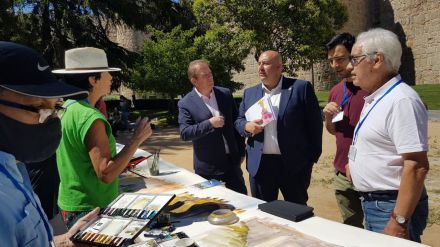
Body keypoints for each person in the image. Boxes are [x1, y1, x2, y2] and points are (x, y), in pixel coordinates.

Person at [0, 41, 99, 246]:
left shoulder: (15, 167)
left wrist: (65, 241)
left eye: (56, 107)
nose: (51, 119)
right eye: (38, 107)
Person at [52, 47, 152, 229]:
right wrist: (136, 139)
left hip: (72, 203)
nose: (111, 78)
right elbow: (105, 173)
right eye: (107, 73)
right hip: (90, 208)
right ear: (93, 79)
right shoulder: (90, 117)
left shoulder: (66, 108)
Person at [346, 28, 429, 242]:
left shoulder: (401, 101)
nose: (349, 67)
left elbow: (416, 165)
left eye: (355, 59)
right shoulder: (377, 97)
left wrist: (398, 220)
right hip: (376, 203)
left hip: (390, 207)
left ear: (377, 60)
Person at [235, 50, 322, 204]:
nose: (261, 68)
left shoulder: (300, 88)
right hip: (261, 165)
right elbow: (238, 121)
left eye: (266, 63)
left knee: (297, 210)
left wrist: (310, 159)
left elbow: (314, 125)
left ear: (279, 67)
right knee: (263, 212)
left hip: (293, 165)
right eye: (259, 63)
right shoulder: (250, 93)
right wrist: (246, 126)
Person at [178, 60, 247, 194]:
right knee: (212, 207)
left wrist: (241, 151)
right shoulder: (185, 103)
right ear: (194, 80)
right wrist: (209, 124)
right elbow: (185, 133)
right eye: (205, 75)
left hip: (232, 163)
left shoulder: (225, 94)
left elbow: (236, 123)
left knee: (244, 202)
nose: (211, 78)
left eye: (210, 74)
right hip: (208, 167)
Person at [323, 33, 368, 228]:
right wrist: (328, 117)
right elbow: (333, 131)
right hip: (342, 174)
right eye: (331, 60)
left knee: (382, 234)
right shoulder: (335, 91)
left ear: (355, 55)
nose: (334, 65)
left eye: (340, 59)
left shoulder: (373, 87)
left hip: (370, 174)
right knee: (351, 229)